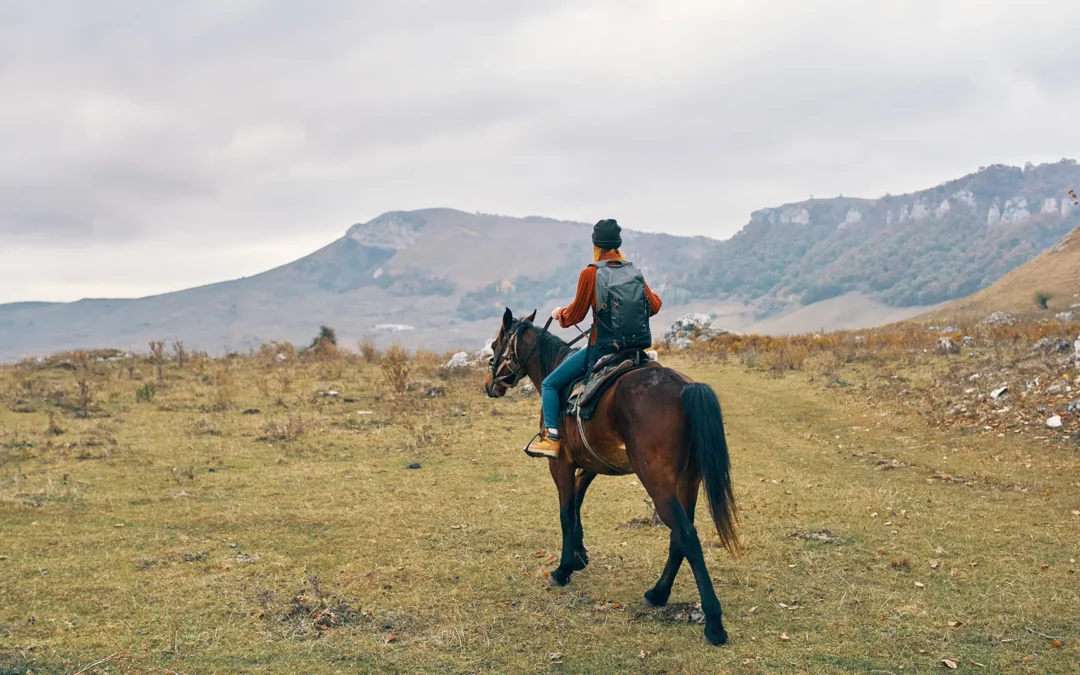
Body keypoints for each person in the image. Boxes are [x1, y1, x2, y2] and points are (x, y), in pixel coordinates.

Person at [526, 219, 662, 459]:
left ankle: (552, 438)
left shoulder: (591, 273)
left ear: (596, 244)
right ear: (618, 244)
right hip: (636, 349)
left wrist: (560, 314)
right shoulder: (633, 272)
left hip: (602, 349)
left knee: (549, 383)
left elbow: (575, 314)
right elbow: (655, 306)